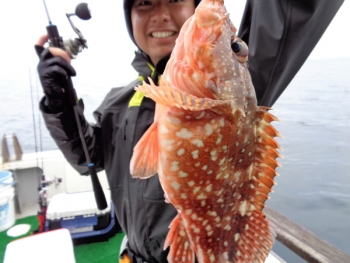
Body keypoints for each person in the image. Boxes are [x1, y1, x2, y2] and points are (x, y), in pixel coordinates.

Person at [35, 0, 343, 262]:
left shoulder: (237, 88)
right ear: (130, 20)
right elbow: (85, 157)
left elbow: (291, 9)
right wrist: (60, 102)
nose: (160, 14)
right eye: (144, 3)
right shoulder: (118, 101)